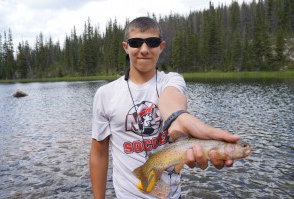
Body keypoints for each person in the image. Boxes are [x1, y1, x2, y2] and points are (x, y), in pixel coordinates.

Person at [89, 16, 240, 199]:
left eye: (152, 42)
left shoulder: (172, 80)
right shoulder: (105, 94)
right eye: (136, 42)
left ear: (161, 47)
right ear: (126, 47)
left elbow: (171, 100)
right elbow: (99, 154)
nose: (144, 49)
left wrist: (177, 117)